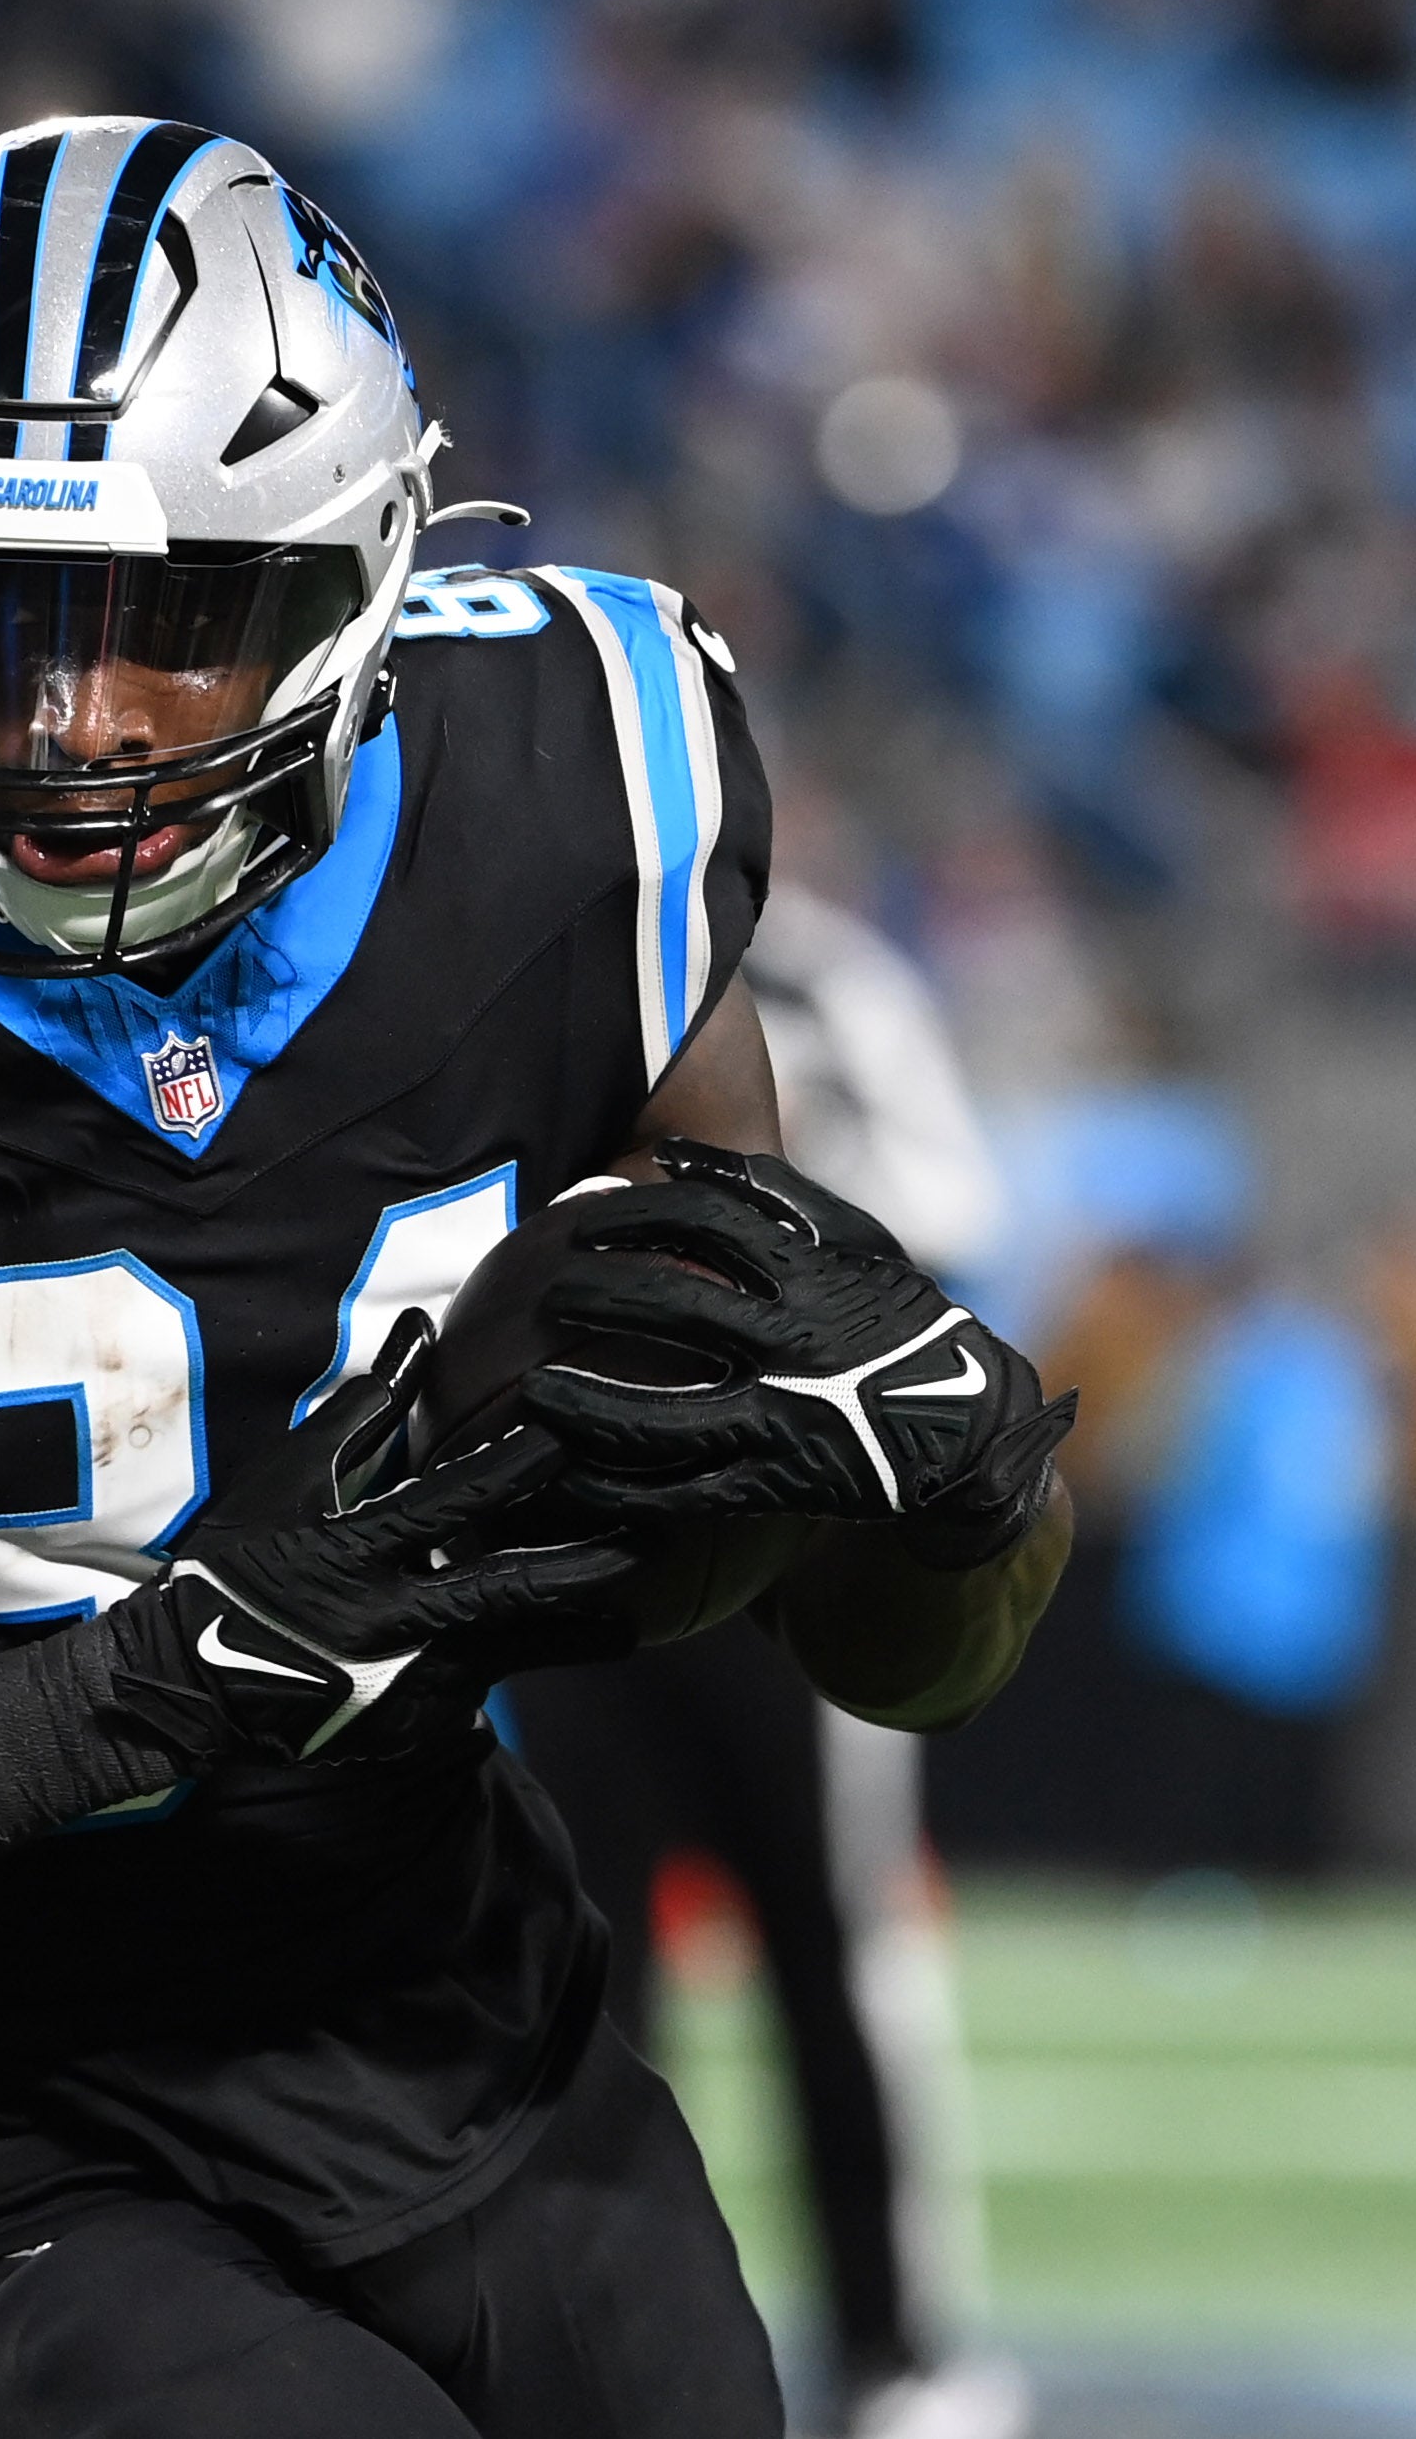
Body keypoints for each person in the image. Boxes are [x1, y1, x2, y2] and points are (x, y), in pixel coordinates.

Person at [0, 121, 1077, 2439]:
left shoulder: (572, 814)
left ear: (355, 575)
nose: (71, 729)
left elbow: (772, 1601)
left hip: (443, 2028)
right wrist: (131, 1693)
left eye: (168, 617)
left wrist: (957, 1506)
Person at [497, 885, 1027, 2439]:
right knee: (593, 1970)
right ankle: (604, 2348)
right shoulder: (543, 960)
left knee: (835, 1954)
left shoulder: (815, 979)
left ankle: (897, 2344)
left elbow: (944, 1219)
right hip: (587, 1538)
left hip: (788, 1543)